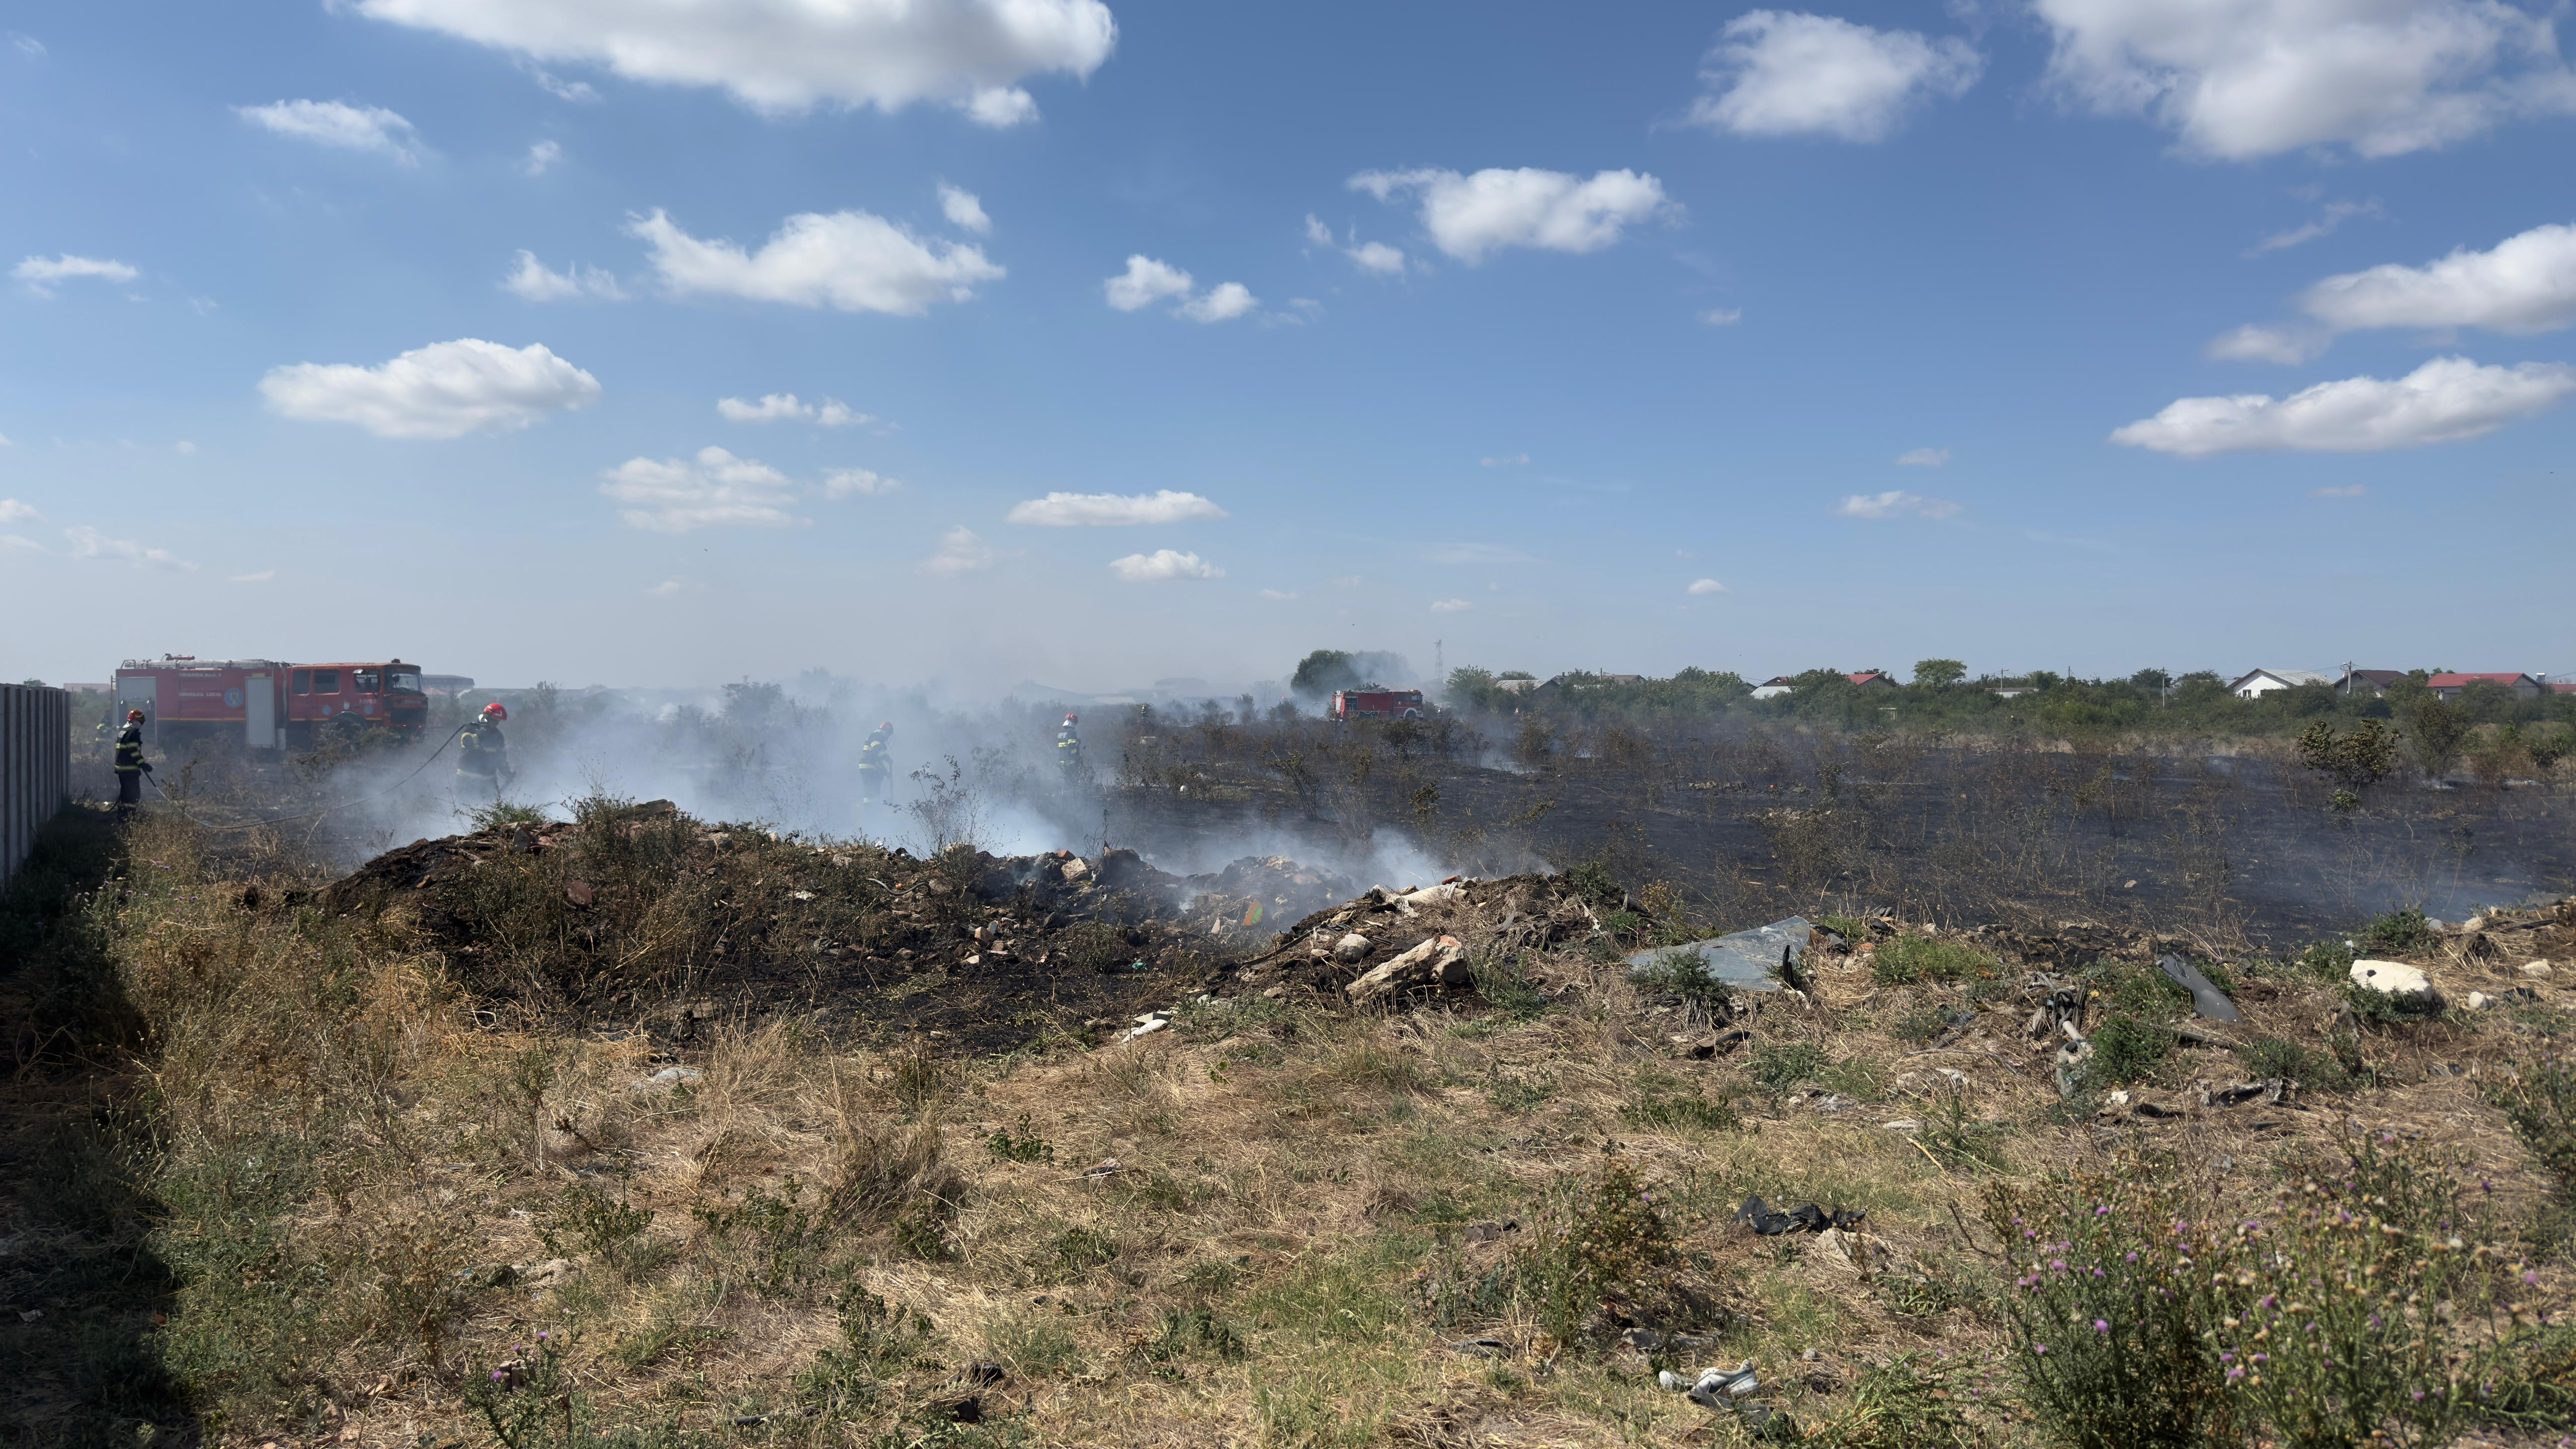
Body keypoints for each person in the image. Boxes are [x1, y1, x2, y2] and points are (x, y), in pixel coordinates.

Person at [457, 702, 512, 797]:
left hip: (489, 778)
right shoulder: (470, 729)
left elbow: (501, 757)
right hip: (467, 777)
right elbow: (468, 742)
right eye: (495, 721)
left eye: (498, 722)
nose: (497, 724)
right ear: (488, 718)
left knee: (492, 807)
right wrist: (482, 734)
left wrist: (506, 772)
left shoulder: (498, 735)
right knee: (464, 806)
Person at [113, 708, 151, 816]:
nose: (141, 725)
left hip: (121, 768)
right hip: (129, 769)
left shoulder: (123, 731)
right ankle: (129, 816)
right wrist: (143, 763)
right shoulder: (133, 733)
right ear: (135, 722)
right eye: (141, 723)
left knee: (125, 794)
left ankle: (122, 816)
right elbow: (133, 751)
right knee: (133, 794)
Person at [856, 722, 895, 811]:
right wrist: (887, 757)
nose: (889, 736)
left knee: (875, 791)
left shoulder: (879, 737)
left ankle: (874, 811)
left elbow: (877, 760)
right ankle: (869, 812)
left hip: (872, 766)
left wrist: (886, 773)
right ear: (887, 730)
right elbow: (877, 750)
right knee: (870, 791)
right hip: (868, 766)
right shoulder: (876, 736)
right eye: (889, 733)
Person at [1054, 711, 1084, 781]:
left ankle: (1064, 791)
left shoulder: (1061, 733)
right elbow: (1072, 747)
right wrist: (1077, 754)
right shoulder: (1072, 733)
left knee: (1065, 780)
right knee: (1073, 780)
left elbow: (1064, 746)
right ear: (1073, 722)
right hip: (1071, 761)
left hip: (1062, 761)